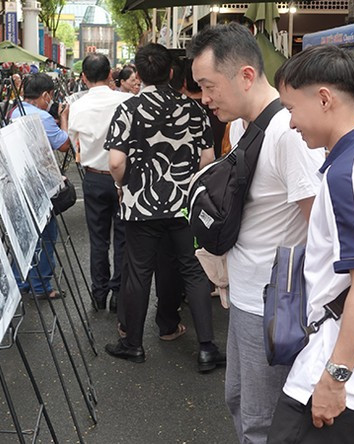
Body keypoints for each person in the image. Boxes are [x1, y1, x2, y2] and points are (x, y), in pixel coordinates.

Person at [189, 24, 325, 442]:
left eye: (208, 86)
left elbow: (321, 226)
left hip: (274, 305)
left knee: (263, 422)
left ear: (246, 75)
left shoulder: (288, 133)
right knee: (239, 401)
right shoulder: (248, 126)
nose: (204, 98)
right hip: (247, 297)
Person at [269, 44, 354, 442]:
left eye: (292, 108)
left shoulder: (347, 175)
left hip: (338, 378)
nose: (291, 123)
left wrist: (334, 378)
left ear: (324, 99)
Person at [103, 43, 222, 372]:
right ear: (172, 72)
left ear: (138, 75)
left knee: (139, 272)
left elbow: (115, 162)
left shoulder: (128, 110)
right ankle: (207, 348)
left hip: (141, 205)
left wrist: (123, 185)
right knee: (193, 269)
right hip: (184, 205)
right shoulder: (195, 110)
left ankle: (133, 344)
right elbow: (208, 160)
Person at [68, 54, 132, 312]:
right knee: (122, 239)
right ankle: (118, 292)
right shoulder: (128, 101)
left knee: (98, 239)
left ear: (83, 77)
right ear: (110, 76)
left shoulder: (78, 106)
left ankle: (98, 292)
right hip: (124, 178)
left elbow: (75, 145)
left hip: (93, 177)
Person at [10, 73, 70, 298]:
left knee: (25, 233)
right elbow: (64, 144)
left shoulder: (15, 111)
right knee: (46, 233)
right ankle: (42, 286)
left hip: (18, 180)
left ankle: (21, 281)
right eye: (50, 97)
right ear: (45, 95)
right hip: (40, 183)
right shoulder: (43, 118)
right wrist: (64, 118)